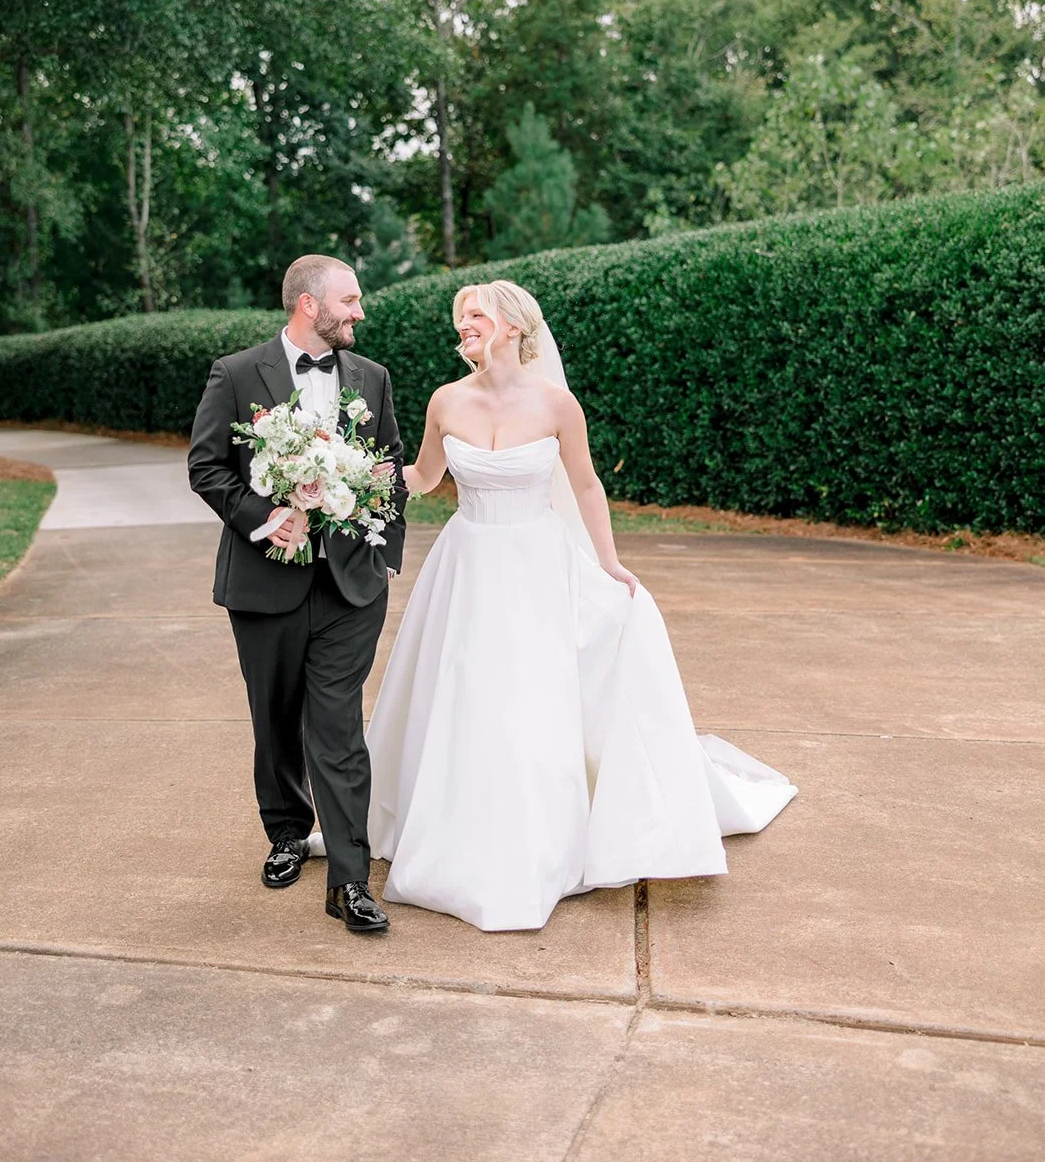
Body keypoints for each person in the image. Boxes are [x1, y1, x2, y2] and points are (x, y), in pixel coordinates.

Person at [359, 278, 797, 932]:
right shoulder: (446, 400)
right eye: (461, 318)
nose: (463, 327)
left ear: (511, 324)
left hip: (535, 565)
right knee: (463, 691)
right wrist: (354, 476)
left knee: (529, 697)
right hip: (467, 564)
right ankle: (452, 823)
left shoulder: (557, 404)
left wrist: (609, 563)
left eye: (474, 315)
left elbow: (586, 485)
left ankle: (534, 840)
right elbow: (423, 477)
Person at [188, 255, 406, 935]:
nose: (359, 312)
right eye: (350, 299)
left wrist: (385, 552)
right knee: (275, 717)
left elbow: (391, 467)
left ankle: (350, 878)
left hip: (350, 584)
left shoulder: (372, 378)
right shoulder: (235, 373)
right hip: (265, 581)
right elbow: (205, 466)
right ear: (309, 305)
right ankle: (286, 830)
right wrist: (264, 517)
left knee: (338, 728)